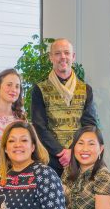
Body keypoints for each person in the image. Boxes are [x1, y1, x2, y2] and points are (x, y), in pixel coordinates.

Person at [30, 38, 99, 174]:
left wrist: (73, 151)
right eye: (57, 53)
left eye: (67, 53)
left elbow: (89, 125)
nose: (63, 57)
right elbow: (39, 126)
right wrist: (61, 152)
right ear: (51, 58)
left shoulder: (86, 89)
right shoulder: (39, 89)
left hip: (80, 158)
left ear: (73, 57)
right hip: (50, 159)